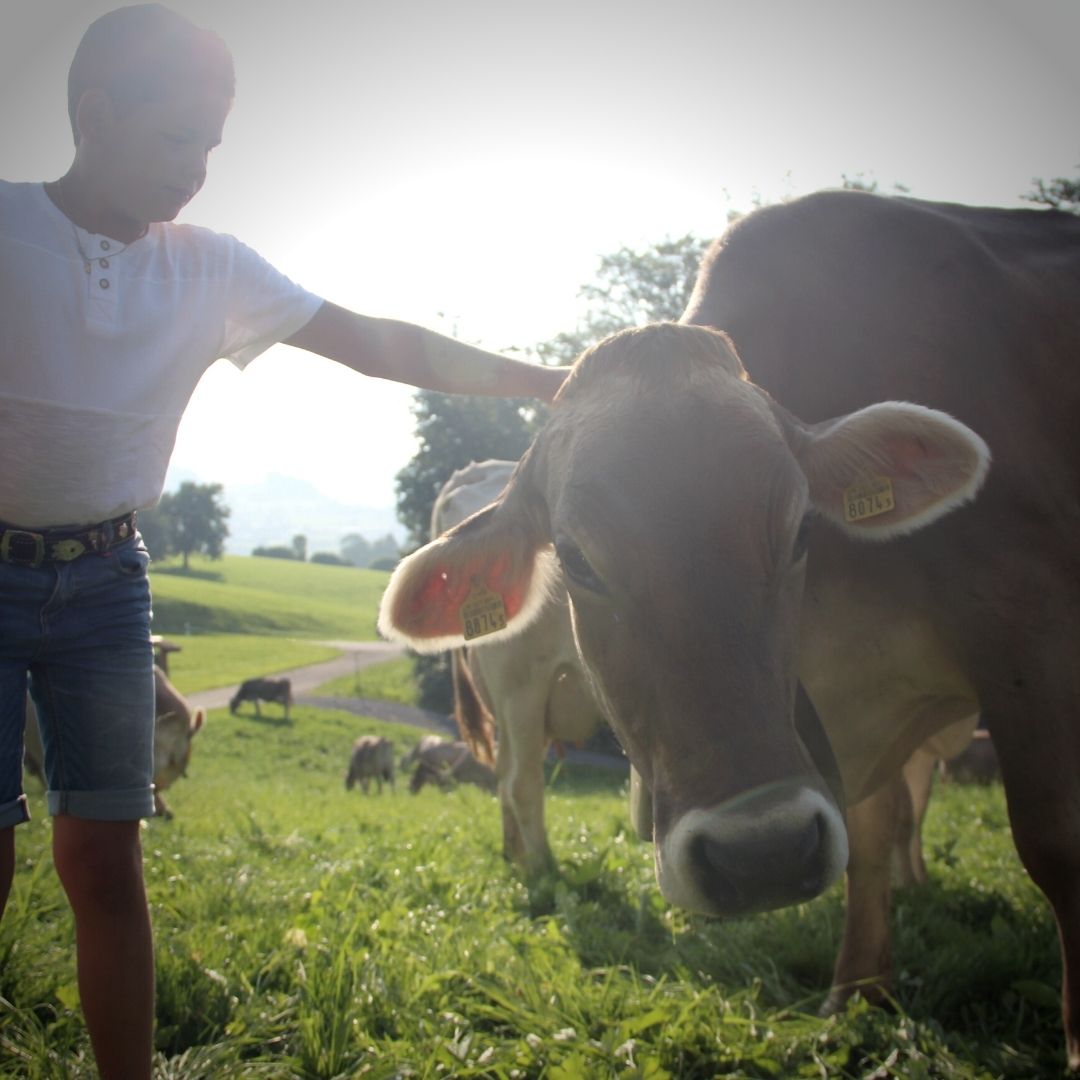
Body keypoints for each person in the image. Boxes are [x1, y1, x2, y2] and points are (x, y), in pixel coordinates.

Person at [0, 6, 567, 1077]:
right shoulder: (5, 229)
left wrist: (545, 382)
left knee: (105, 857)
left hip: (109, 585)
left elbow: (375, 345)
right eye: (178, 141)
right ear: (94, 116)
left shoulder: (211, 269)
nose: (198, 170)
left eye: (213, 147)